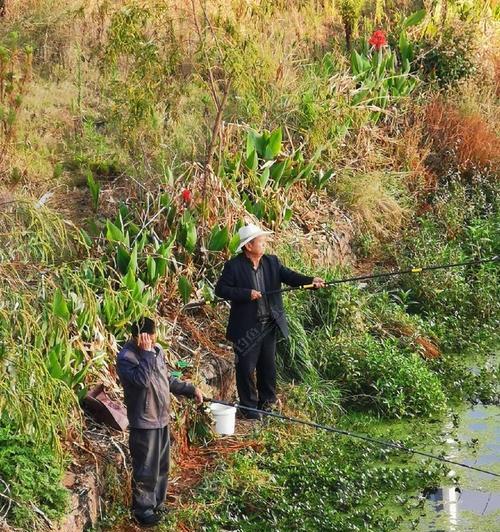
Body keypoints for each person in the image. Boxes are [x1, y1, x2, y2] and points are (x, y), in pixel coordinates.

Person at [215, 223, 325, 420]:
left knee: (268, 367)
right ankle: (249, 408)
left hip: (269, 325)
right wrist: (246, 294)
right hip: (246, 328)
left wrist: (311, 282)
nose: (264, 243)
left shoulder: (271, 262)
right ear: (249, 246)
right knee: (246, 368)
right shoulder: (234, 266)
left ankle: (267, 404)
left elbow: (290, 277)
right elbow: (221, 290)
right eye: (261, 241)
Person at [116, 317, 203, 527]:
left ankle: (158, 503)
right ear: (139, 337)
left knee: (162, 466)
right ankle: (143, 509)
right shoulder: (126, 358)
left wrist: (190, 389)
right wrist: (146, 354)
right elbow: (142, 381)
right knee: (146, 469)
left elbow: (166, 379)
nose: (154, 340)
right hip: (144, 421)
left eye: (155, 336)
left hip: (162, 417)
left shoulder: (156, 351)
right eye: (150, 337)